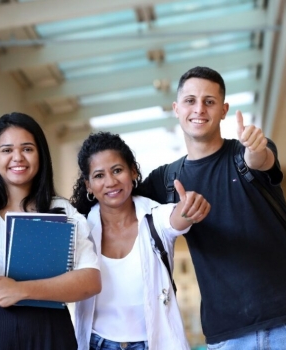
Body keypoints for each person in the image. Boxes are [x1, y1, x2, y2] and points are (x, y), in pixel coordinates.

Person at [139, 66, 286, 349]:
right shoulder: (165, 180)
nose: (199, 109)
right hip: (227, 336)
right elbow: (122, 206)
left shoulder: (244, 153)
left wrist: (255, 150)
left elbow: (261, 159)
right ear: (176, 108)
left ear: (224, 109)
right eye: (190, 100)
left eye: (209, 101)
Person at [0, 112, 101, 350]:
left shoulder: (61, 211)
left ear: (40, 155)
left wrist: (21, 290)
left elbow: (91, 280)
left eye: (27, 149)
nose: (17, 157)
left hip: (50, 328)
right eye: (6, 150)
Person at [70, 131, 211, 350]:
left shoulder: (155, 217)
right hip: (95, 343)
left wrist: (189, 208)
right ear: (88, 185)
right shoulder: (80, 228)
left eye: (117, 170)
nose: (110, 182)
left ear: (133, 171)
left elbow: (177, 218)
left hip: (151, 343)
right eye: (99, 176)